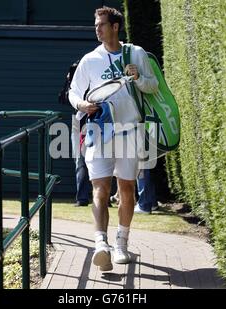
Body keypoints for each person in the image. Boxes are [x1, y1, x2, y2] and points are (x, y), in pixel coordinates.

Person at [68, 6, 158, 271]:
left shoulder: (136, 53)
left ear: (115, 26)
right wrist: (82, 105)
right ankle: (100, 244)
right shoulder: (89, 60)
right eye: (96, 24)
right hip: (99, 132)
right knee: (100, 188)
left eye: (102, 24)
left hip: (130, 131)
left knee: (127, 189)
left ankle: (121, 244)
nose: (97, 29)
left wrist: (138, 76)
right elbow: (74, 92)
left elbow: (153, 87)